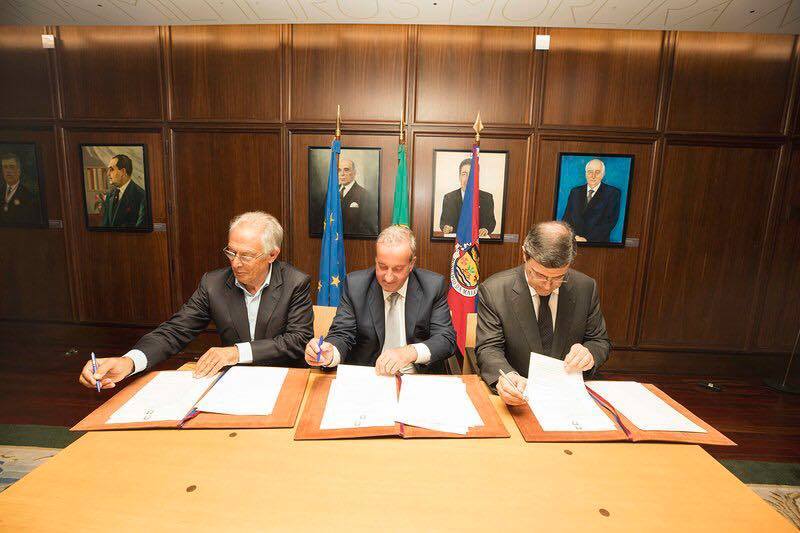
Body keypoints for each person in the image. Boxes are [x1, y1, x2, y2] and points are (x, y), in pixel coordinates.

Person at [79, 212, 314, 390]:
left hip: (285, 381)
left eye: (246, 255)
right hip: (233, 384)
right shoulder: (213, 284)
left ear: (272, 254)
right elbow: (175, 331)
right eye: (231, 252)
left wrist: (235, 353)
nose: (235, 263)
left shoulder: (295, 282)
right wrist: (129, 361)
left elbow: (297, 340)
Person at [475, 221, 611, 406]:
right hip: (520, 393)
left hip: (569, 395)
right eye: (539, 275)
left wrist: (589, 354)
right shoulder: (495, 290)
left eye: (558, 278)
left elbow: (599, 341)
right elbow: (489, 348)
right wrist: (508, 377)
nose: (547, 286)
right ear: (524, 254)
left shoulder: (585, 287)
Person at [305, 225, 456, 375]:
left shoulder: (432, 286)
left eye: (397, 269)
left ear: (411, 264)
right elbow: (342, 333)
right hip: (370, 377)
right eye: (382, 266)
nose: (388, 277)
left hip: (417, 378)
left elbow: (445, 339)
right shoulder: (355, 286)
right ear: (376, 260)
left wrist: (410, 352)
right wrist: (331, 354)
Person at [561, 158, 621, 242]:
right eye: (590, 172)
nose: (593, 176)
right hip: (574, 241)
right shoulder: (575, 192)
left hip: (597, 243)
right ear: (585, 173)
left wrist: (586, 239)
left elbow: (609, 222)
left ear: (603, 174)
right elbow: (566, 219)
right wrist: (574, 237)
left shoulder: (612, 193)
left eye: (597, 172)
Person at [439, 157, 496, 237]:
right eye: (464, 174)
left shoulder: (487, 198)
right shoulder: (449, 198)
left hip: (478, 241)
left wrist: (486, 229)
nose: (468, 179)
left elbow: (491, 223)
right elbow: (443, 222)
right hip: (456, 241)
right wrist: (446, 227)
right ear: (459, 177)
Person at [100, 154, 147, 228]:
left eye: (111, 169)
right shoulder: (110, 195)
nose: (108, 174)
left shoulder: (141, 196)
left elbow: (140, 229)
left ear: (123, 171)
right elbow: (105, 225)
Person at [0, 152, 40, 225]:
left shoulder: (29, 196)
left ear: (19, 170)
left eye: (11, 167)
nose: (8, 171)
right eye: (5, 167)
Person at [338, 157, 372, 235]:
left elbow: (366, 226)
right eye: (339, 170)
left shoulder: (364, 195)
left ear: (354, 173)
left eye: (346, 170)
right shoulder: (332, 192)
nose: (342, 174)